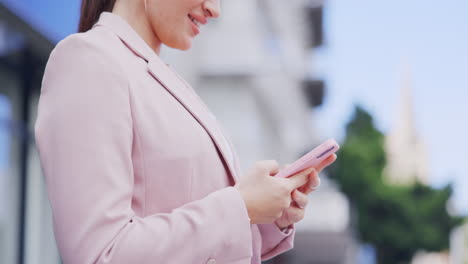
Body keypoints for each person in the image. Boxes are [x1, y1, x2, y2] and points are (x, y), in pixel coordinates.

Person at [34, 0, 337, 263]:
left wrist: (266, 213)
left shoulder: (162, 79)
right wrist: (241, 207)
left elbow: (187, 227)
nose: (215, 9)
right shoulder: (89, 59)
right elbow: (100, 254)